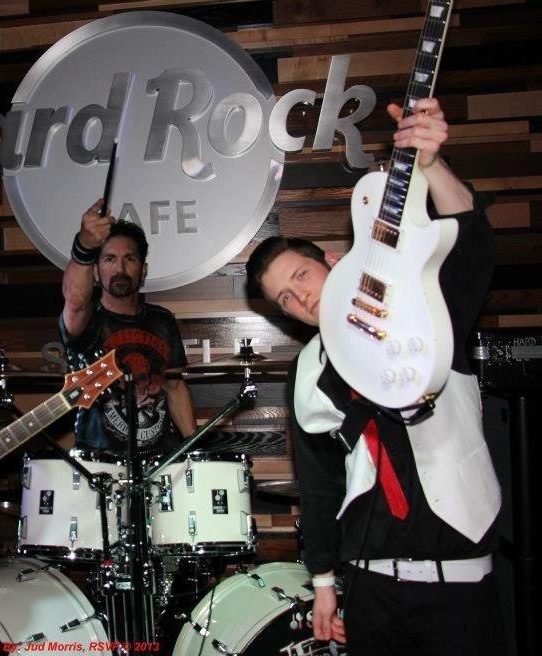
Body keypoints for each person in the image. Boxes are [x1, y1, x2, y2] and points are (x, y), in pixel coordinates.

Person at [246, 97, 502, 655]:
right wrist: (323, 583)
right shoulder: (308, 372)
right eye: (284, 298)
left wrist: (432, 166)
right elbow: (318, 482)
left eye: (300, 276)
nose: (299, 297)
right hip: (369, 585)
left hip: (458, 581)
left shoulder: (420, 305)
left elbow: (473, 250)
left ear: (331, 262)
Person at [60, 200, 197, 454]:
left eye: (129, 259)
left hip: (159, 462)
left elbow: (175, 387)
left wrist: (194, 449)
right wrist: (84, 247)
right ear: (96, 272)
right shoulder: (87, 320)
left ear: (143, 270)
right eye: (109, 259)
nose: (120, 269)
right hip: (98, 463)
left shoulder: (162, 319)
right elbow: (76, 302)